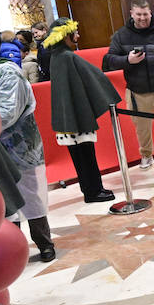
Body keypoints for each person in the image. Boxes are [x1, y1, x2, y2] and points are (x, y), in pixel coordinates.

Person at [0, 24, 56, 262]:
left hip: (20, 147)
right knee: (5, 199)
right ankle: (14, 249)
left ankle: (45, 244)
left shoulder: (7, 72)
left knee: (31, 196)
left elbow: (6, 112)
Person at [103, 0, 154, 174]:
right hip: (136, 90)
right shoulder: (121, 35)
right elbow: (108, 62)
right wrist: (127, 60)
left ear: (151, 13)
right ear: (132, 14)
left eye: (145, 14)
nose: (142, 18)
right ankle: (146, 155)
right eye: (138, 14)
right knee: (142, 128)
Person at [47, 49, 118, 204]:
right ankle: (93, 191)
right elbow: (92, 74)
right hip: (77, 115)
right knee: (86, 156)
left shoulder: (57, 56)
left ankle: (93, 189)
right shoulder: (67, 56)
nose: (77, 36)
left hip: (68, 115)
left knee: (81, 157)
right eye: (75, 33)